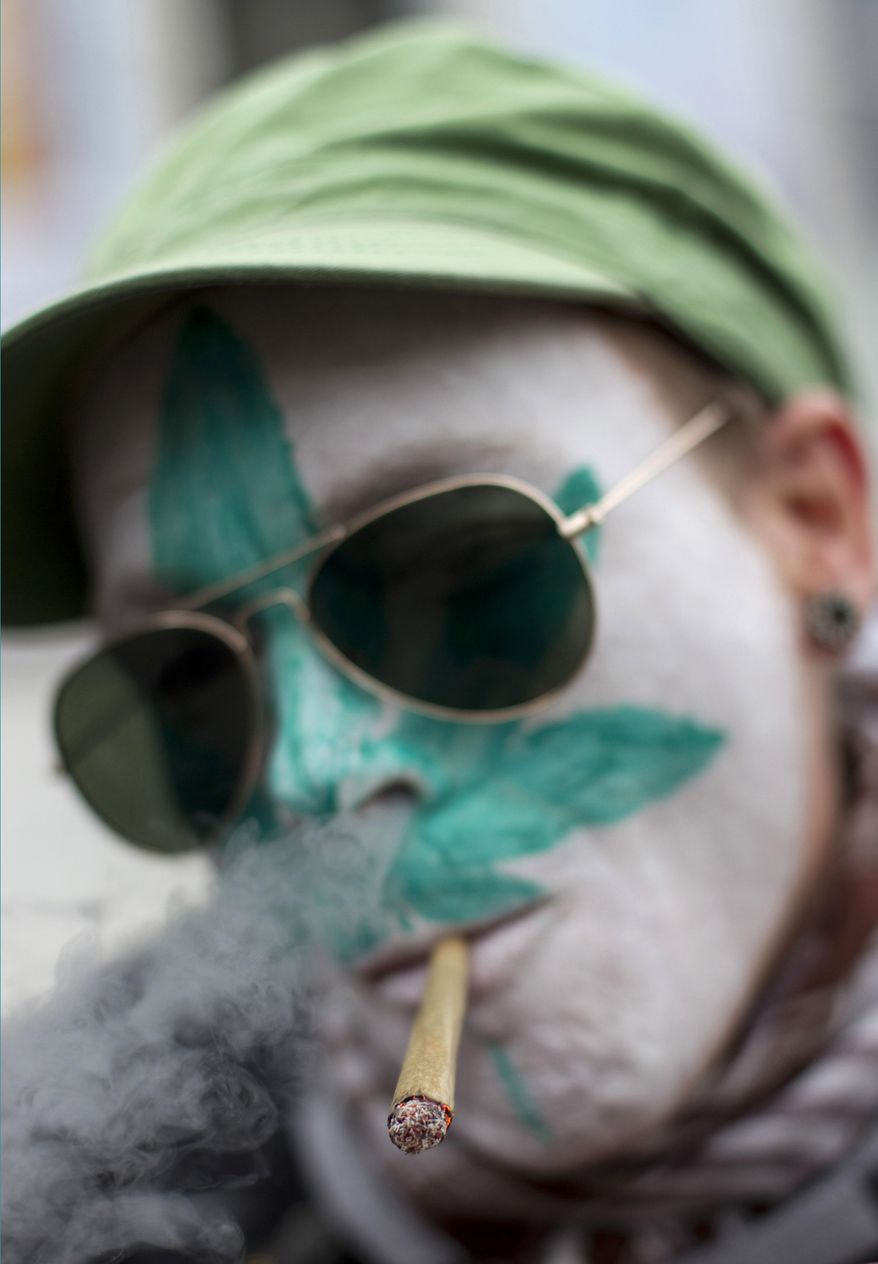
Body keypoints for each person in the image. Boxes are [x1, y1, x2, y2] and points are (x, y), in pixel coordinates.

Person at [3, 20, 877, 1264]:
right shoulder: (82, 1208)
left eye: (458, 576)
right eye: (188, 685)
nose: (308, 775)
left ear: (812, 520)